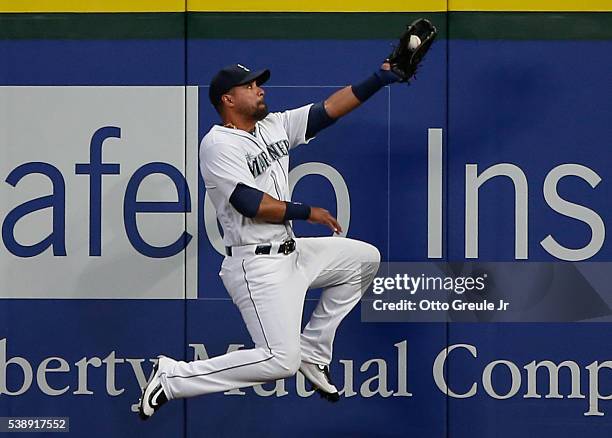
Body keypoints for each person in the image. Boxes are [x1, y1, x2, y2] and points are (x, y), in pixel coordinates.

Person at [138, 61, 402, 420]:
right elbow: (250, 204)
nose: (259, 89)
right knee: (280, 360)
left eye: (258, 84)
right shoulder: (217, 144)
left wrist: (379, 79)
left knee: (364, 260)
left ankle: (314, 351)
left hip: (292, 254)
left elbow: (328, 111)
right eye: (249, 86)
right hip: (256, 265)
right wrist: (307, 211)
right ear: (228, 99)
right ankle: (173, 377)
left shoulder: (274, 125)